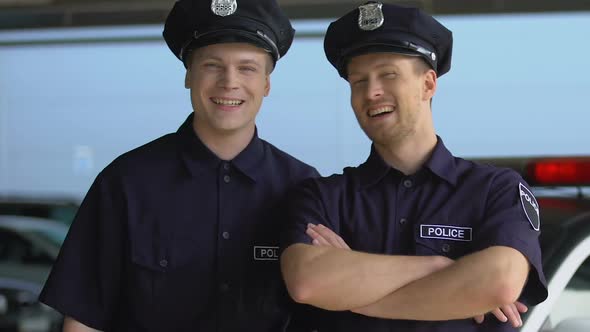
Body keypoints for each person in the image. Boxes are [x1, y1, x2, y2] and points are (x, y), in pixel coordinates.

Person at [39, 0, 318, 331]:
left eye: (247, 68)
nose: (229, 82)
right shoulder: (125, 183)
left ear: (267, 84)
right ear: (189, 76)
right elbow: (83, 321)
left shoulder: (302, 187)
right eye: (212, 66)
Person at [280, 2, 548, 331]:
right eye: (358, 81)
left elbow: (499, 282)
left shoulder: (496, 190)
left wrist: (353, 293)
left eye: (388, 75)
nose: (371, 92)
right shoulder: (322, 198)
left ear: (429, 84)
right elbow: (307, 282)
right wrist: (441, 268)